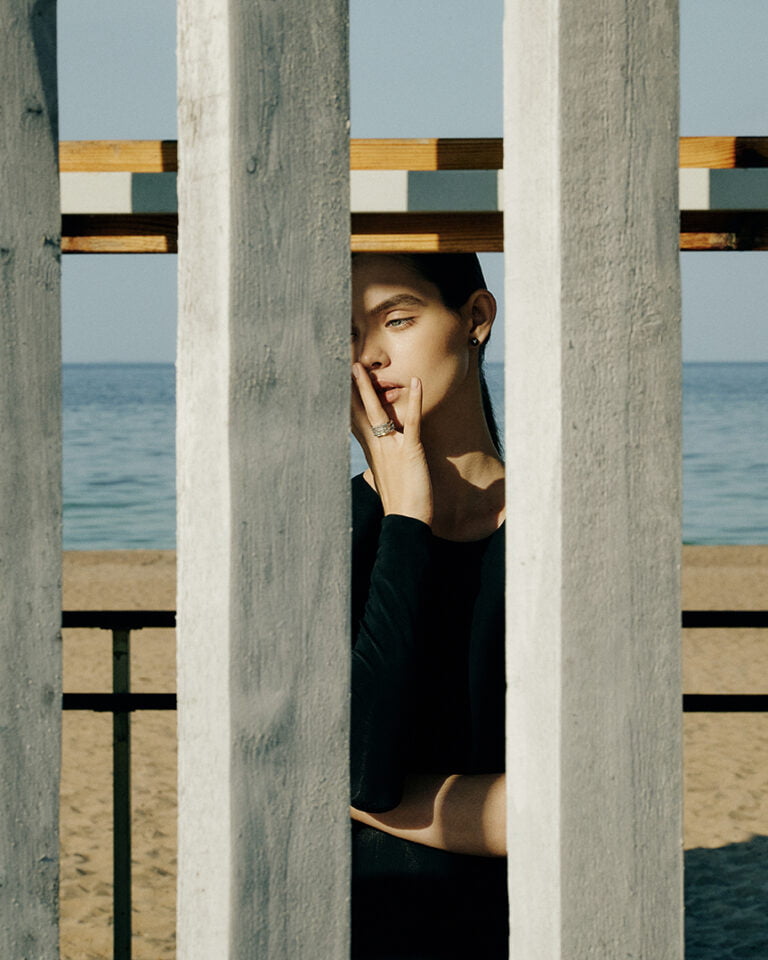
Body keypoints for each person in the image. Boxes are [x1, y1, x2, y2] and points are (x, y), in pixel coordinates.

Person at [349, 253, 508, 959]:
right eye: (347, 332)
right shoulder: (327, 531)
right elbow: (357, 761)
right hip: (360, 921)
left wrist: (370, 798)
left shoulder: (563, 529)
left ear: (475, 318)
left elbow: (579, 802)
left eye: (398, 319)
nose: (370, 355)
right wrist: (405, 518)